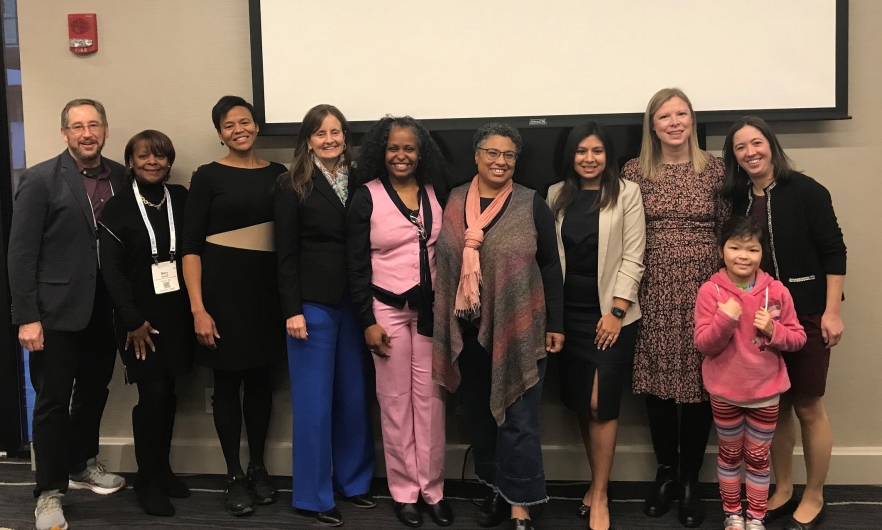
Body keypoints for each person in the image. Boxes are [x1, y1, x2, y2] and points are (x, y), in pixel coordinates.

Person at [433, 123, 564, 530]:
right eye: (492, 152)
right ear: (476, 155)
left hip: (521, 330)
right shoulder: (455, 201)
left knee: (519, 419)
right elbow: (445, 264)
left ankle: (521, 504)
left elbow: (549, 265)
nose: (500, 161)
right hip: (468, 334)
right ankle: (494, 488)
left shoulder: (531, 203)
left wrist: (555, 323)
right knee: (479, 419)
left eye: (508, 155)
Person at [721, 116, 846, 530]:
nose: (750, 152)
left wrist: (831, 312)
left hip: (807, 313)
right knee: (775, 407)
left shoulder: (808, 191)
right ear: (734, 156)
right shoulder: (737, 200)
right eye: (741, 147)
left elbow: (834, 252)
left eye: (756, 143)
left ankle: (814, 494)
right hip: (756, 324)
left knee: (809, 406)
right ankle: (784, 487)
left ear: (771, 145)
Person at [8, 98, 127, 530]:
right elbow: (20, 255)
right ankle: (48, 493)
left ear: (106, 129)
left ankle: (82, 463)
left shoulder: (122, 175)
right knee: (53, 403)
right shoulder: (40, 179)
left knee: (95, 391)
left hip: (105, 309)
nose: (86, 132)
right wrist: (27, 316)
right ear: (65, 134)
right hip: (54, 312)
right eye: (77, 126)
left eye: (94, 124)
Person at [622, 87, 729, 528]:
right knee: (659, 383)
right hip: (653, 287)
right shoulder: (635, 170)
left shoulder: (716, 170)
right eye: (664, 116)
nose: (674, 122)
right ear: (652, 124)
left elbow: (729, 234)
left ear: (692, 119)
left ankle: (690, 479)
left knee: (701, 383)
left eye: (681, 114)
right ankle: (665, 472)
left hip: (706, 290)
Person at [181, 95, 286, 516]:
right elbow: (189, 247)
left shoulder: (279, 175)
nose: (238, 129)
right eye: (229, 125)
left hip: (267, 296)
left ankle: (259, 467)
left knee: (261, 385)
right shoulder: (207, 176)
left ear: (257, 126)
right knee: (226, 385)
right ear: (219, 133)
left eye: (245, 121)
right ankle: (233, 475)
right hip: (221, 297)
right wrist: (198, 308)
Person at [347, 116, 453, 528]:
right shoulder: (366, 197)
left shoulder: (434, 192)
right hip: (385, 312)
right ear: (380, 152)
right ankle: (405, 492)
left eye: (409, 148)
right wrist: (367, 321)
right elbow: (355, 265)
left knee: (431, 403)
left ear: (420, 152)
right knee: (394, 404)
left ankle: (433, 490)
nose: (401, 155)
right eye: (393, 148)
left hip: (429, 313)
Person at [274, 104, 376, 527]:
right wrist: (291, 310)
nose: (330, 139)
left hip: (355, 303)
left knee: (354, 398)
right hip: (311, 306)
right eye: (321, 133)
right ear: (308, 139)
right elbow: (285, 254)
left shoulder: (363, 181)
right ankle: (313, 497)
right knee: (314, 404)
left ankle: (352, 483)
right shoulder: (290, 183)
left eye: (337, 132)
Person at [546, 121, 646, 530]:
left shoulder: (628, 193)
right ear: (571, 156)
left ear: (609, 155)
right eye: (581, 151)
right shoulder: (555, 194)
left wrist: (617, 312)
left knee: (599, 404)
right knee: (580, 404)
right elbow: (550, 260)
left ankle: (601, 493)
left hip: (611, 315)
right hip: (567, 315)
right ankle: (595, 481)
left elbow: (634, 256)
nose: (589, 159)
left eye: (597, 151)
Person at [98, 130, 194, 516]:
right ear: (131, 162)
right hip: (137, 319)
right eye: (144, 156)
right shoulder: (118, 208)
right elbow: (112, 270)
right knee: (151, 396)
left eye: (159, 156)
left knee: (169, 394)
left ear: (169, 161)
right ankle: (147, 481)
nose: (152, 162)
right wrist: (132, 319)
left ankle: (163, 469)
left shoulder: (182, 199)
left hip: (176, 315)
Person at [694, 216, 807, 530]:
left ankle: (755, 516)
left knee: (758, 459)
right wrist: (725, 320)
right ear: (721, 250)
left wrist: (773, 329)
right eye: (735, 247)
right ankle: (732, 514)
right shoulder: (710, 292)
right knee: (730, 456)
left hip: (765, 393)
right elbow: (704, 344)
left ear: (761, 254)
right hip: (724, 391)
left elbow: (798, 338)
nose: (743, 256)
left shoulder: (778, 292)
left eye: (752, 249)